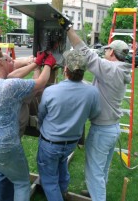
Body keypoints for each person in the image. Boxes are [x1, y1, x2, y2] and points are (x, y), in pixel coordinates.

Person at [58, 15, 132, 201]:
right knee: (102, 168)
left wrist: (69, 30)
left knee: (94, 172)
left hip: (102, 130)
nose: (104, 52)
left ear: (112, 53)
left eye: (107, 50)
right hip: (111, 128)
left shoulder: (111, 69)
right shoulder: (118, 70)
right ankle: (95, 193)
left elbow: (85, 53)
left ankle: (97, 196)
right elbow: (97, 86)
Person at [0, 49, 56, 201]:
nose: (12, 60)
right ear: (0, 63)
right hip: (3, 146)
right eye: (8, 59)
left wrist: (35, 63)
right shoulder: (8, 87)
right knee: (22, 183)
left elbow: (10, 74)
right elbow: (41, 83)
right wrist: (48, 64)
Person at [37, 50, 101, 201]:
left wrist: (41, 128)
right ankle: (63, 192)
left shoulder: (51, 91)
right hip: (71, 143)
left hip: (50, 143)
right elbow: (94, 114)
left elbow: (41, 114)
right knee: (62, 166)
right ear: (83, 71)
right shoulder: (92, 92)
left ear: (65, 69)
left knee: (49, 179)